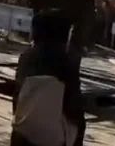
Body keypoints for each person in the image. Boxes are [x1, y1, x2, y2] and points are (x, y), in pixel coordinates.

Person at [11, 10, 85, 146]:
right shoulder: (66, 61)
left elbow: (17, 96)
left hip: (23, 133)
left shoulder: (26, 57)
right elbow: (74, 106)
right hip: (55, 138)